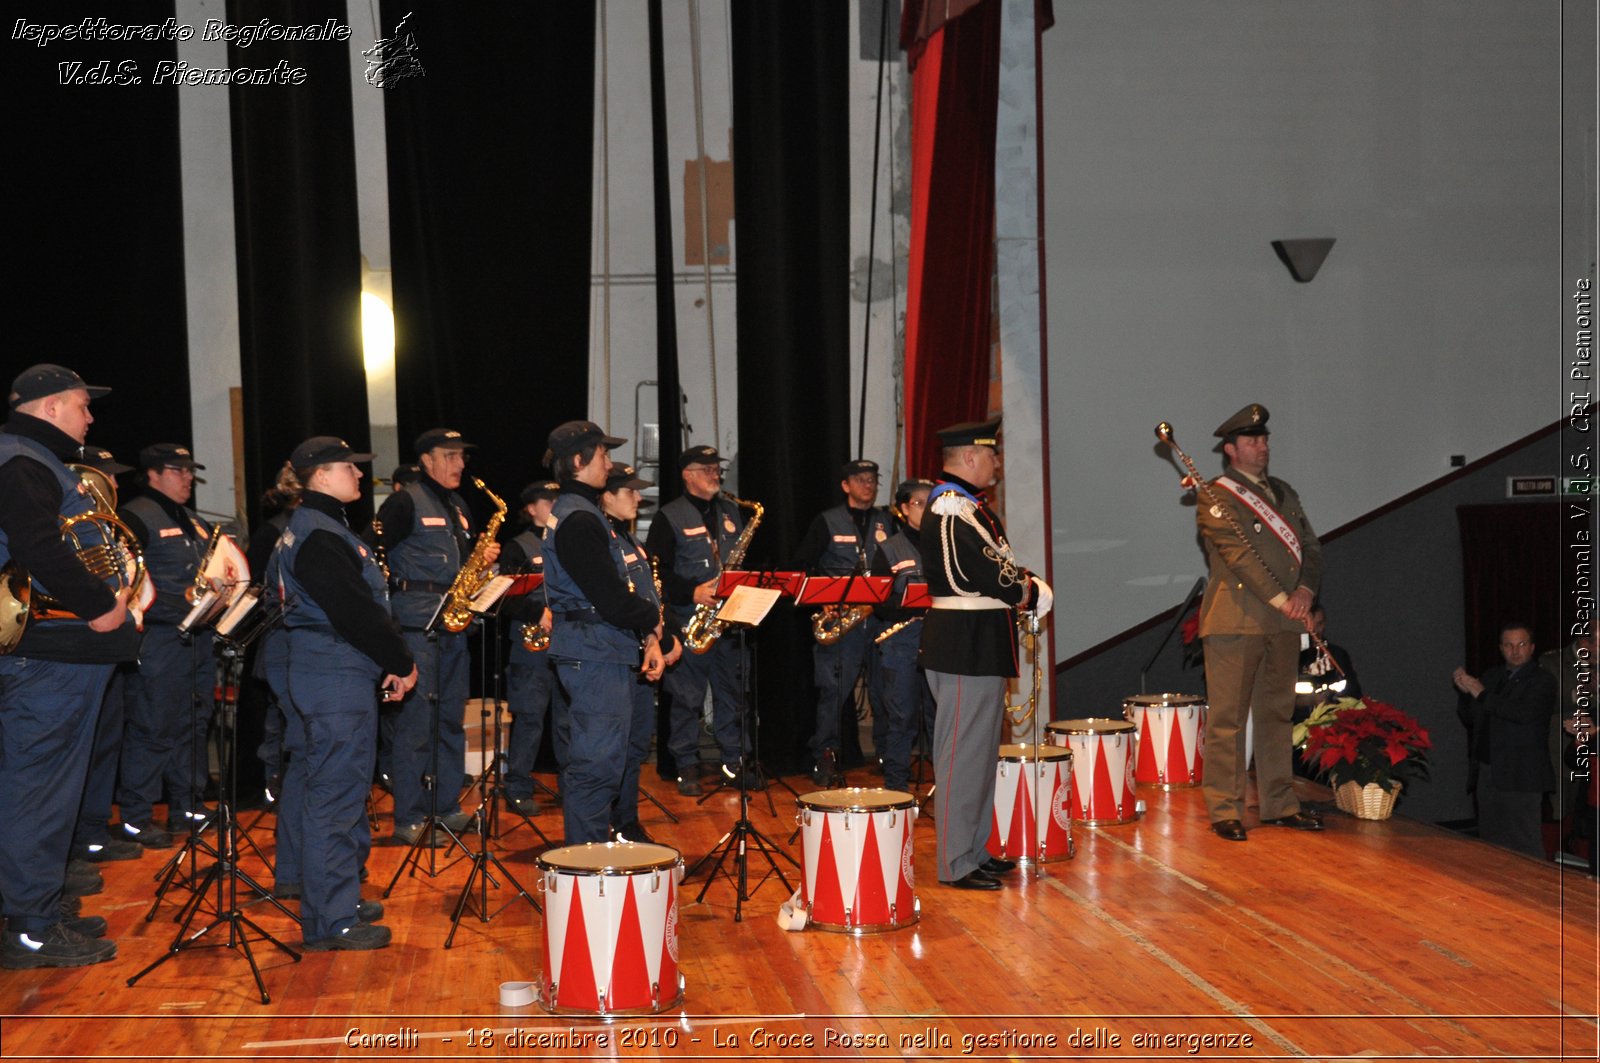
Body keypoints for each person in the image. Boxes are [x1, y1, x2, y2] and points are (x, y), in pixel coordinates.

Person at [0, 363, 136, 969]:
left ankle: (37, 907)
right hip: (51, 653)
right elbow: (38, 544)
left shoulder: (34, 459)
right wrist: (102, 605)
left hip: (58, 655)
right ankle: (30, 927)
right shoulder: (23, 460)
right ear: (51, 406)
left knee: (45, 790)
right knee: (40, 794)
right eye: (83, 405)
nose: (90, 417)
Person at [270, 436, 416, 950]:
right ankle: (331, 920)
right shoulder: (320, 535)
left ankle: (337, 899)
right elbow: (354, 611)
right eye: (349, 468)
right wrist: (400, 661)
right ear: (321, 476)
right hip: (334, 673)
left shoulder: (316, 527)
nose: (359, 476)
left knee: (333, 791)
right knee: (337, 796)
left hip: (327, 669)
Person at [920, 419, 1049, 890]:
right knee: (960, 755)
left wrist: (1023, 584)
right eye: (990, 454)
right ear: (969, 458)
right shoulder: (952, 508)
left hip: (978, 641)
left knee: (978, 754)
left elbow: (997, 565)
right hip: (962, 643)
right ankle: (955, 862)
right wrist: (1028, 591)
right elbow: (984, 572)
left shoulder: (968, 508)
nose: (996, 462)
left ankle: (974, 849)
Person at [1195, 403, 1324, 842]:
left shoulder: (1284, 492)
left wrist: (1305, 592)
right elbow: (1237, 555)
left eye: (1265, 439)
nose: (1262, 446)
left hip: (1285, 622)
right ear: (1231, 450)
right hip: (1237, 618)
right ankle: (1225, 809)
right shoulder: (1215, 495)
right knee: (1229, 719)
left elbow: (1310, 546)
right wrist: (1282, 598)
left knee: (1276, 715)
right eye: (1252, 441)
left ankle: (1279, 803)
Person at [541, 421, 668, 845]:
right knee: (596, 768)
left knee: (604, 763)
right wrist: (650, 617)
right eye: (603, 456)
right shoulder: (579, 519)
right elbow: (610, 597)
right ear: (578, 461)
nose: (609, 464)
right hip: (594, 652)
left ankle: (595, 857)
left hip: (601, 648)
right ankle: (587, 867)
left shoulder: (581, 513)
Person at [370, 427, 496, 846]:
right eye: (450, 456)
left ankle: (445, 807)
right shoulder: (404, 502)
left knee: (450, 722)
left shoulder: (459, 504)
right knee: (415, 727)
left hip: (455, 626)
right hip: (417, 628)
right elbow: (373, 554)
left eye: (462, 456)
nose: (460, 464)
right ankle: (408, 816)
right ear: (426, 460)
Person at [115, 442, 222, 846]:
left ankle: (187, 806)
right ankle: (136, 818)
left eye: (189, 471)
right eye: (178, 470)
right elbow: (124, 578)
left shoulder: (194, 521)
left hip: (198, 637)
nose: (187, 477)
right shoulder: (135, 515)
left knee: (194, 722)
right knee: (153, 726)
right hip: (159, 638)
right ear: (153, 474)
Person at [647, 444, 758, 795]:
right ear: (687, 474)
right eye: (707, 469)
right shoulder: (669, 516)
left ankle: (733, 762)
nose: (715, 475)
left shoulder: (731, 512)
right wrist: (693, 593)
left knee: (733, 695)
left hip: (727, 621)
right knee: (685, 699)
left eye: (716, 469)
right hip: (688, 622)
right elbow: (657, 573)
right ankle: (686, 766)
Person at [66, 447, 144, 864]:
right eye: (106, 477)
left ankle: (93, 830)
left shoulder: (108, 531)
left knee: (107, 743)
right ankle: (77, 842)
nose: (114, 485)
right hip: (81, 649)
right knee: (83, 750)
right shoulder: (78, 531)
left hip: (110, 649)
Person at [793, 458, 892, 785]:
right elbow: (804, 566)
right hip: (842, 623)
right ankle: (825, 757)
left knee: (884, 693)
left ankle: (887, 755)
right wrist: (825, 600)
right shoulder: (827, 521)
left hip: (879, 621)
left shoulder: (888, 521)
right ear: (845, 485)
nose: (869, 485)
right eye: (861, 479)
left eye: (873, 479)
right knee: (833, 694)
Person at [600, 463, 681, 841]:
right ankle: (608, 824)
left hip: (643, 654)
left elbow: (653, 597)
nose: (638, 497)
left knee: (635, 748)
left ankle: (627, 821)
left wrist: (668, 639)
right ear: (606, 495)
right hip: (618, 656)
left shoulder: (632, 542)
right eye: (629, 491)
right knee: (612, 749)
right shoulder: (604, 541)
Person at [1452, 622, 1558, 858]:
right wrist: (1464, 692)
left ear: (1532, 647)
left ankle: (1533, 890)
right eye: (1509, 645)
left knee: (1524, 841)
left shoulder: (1543, 680)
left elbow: (1522, 714)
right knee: (1491, 840)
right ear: (1501, 648)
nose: (1515, 651)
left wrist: (1480, 692)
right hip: (1489, 770)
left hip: (1522, 774)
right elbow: (1471, 718)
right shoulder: (1492, 676)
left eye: (1521, 644)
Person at [498, 480, 560, 816]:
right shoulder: (518, 547)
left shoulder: (568, 541)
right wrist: (537, 612)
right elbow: (504, 598)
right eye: (546, 501)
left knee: (567, 719)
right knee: (530, 717)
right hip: (530, 644)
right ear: (531, 508)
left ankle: (570, 784)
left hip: (567, 641)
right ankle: (518, 786)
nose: (553, 506)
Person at [871, 478, 936, 793]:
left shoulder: (946, 545)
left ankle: (947, 789)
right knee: (902, 718)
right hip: (901, 644)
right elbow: (880, 604)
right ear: (902, 509)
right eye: (919, 503)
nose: (927, 508)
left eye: (931, 502)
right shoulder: (888, 549)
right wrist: (915, 602)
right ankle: (897, 789)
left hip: (940, 642)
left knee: (940, 719)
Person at [1293, 601, 1362, 722]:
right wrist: (1308, 700)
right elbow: (1279, 698)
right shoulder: (1291, 657)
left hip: (1333, 722)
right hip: (1296, 724)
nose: (1314, 630)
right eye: (1309, 624)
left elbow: (1353, 692)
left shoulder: (1337, 655)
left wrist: (1330, 699)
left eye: (1319, 624)